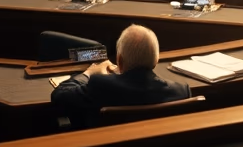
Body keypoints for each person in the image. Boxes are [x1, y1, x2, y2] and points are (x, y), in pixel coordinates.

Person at [51, 24, 190, 129]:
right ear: (156, 60)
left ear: (119, 60)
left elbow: (59, 96)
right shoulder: (182, 91)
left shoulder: (100, 85)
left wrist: (89, 73)